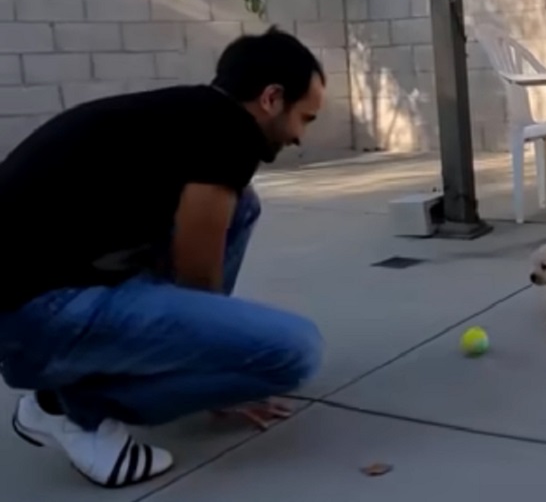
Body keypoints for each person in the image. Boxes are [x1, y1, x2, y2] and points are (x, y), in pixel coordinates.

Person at [0, 27, 326, 488]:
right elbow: (197, 275)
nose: (299, 136)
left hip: (39, 294)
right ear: (272, 98)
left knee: (243, 206)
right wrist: (225, 361)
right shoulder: (229, 132)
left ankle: (77, 383)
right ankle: (69, 410)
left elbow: (199, 250)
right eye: (305, 118)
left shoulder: (188, 114)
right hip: (36, 313)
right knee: (294, 353)